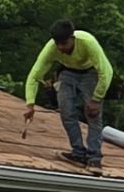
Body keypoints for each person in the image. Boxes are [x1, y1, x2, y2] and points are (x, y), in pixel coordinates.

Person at [23, 19, 114, 169]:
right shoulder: (52, 48)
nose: (60, 48)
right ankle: (78, 152)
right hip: (67, 73)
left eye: (64, 44)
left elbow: (106, 72)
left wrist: (96, 99)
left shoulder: (87, 42)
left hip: (89, 73)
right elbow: (34, 75)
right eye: (57, 44)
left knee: (93, 114)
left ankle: (94, 157)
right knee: (66, 111)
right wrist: (30, 104)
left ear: (72, 38)